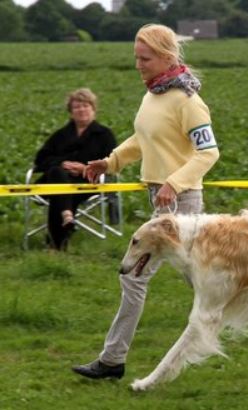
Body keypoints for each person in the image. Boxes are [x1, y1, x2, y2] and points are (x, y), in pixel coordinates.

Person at [71, 24, 221, 380]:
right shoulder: (153, 95)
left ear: (167, 57)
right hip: (163, 200)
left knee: (147, 279)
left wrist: (173, 183)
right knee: (202, 280)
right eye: (136, 57)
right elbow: (143, 139)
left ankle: (112, 360)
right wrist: (110, 162)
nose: (138, 64)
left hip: (180, 205)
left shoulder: (188, 102)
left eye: (145, 58)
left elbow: (209, 153)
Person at [33, 88, 116, 250]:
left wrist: (86, 168)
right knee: (57, 174)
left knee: (58, 193)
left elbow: (111, 162)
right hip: (58, 180)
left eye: (85, 106)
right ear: (71, 112)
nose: (81, 110)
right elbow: (40, 160)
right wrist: (63, 163)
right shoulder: (60, 135)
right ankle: (66, 218)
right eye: (77, 107)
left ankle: (56, 243)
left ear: (93, 109)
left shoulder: (104, 135)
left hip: (89, 182)